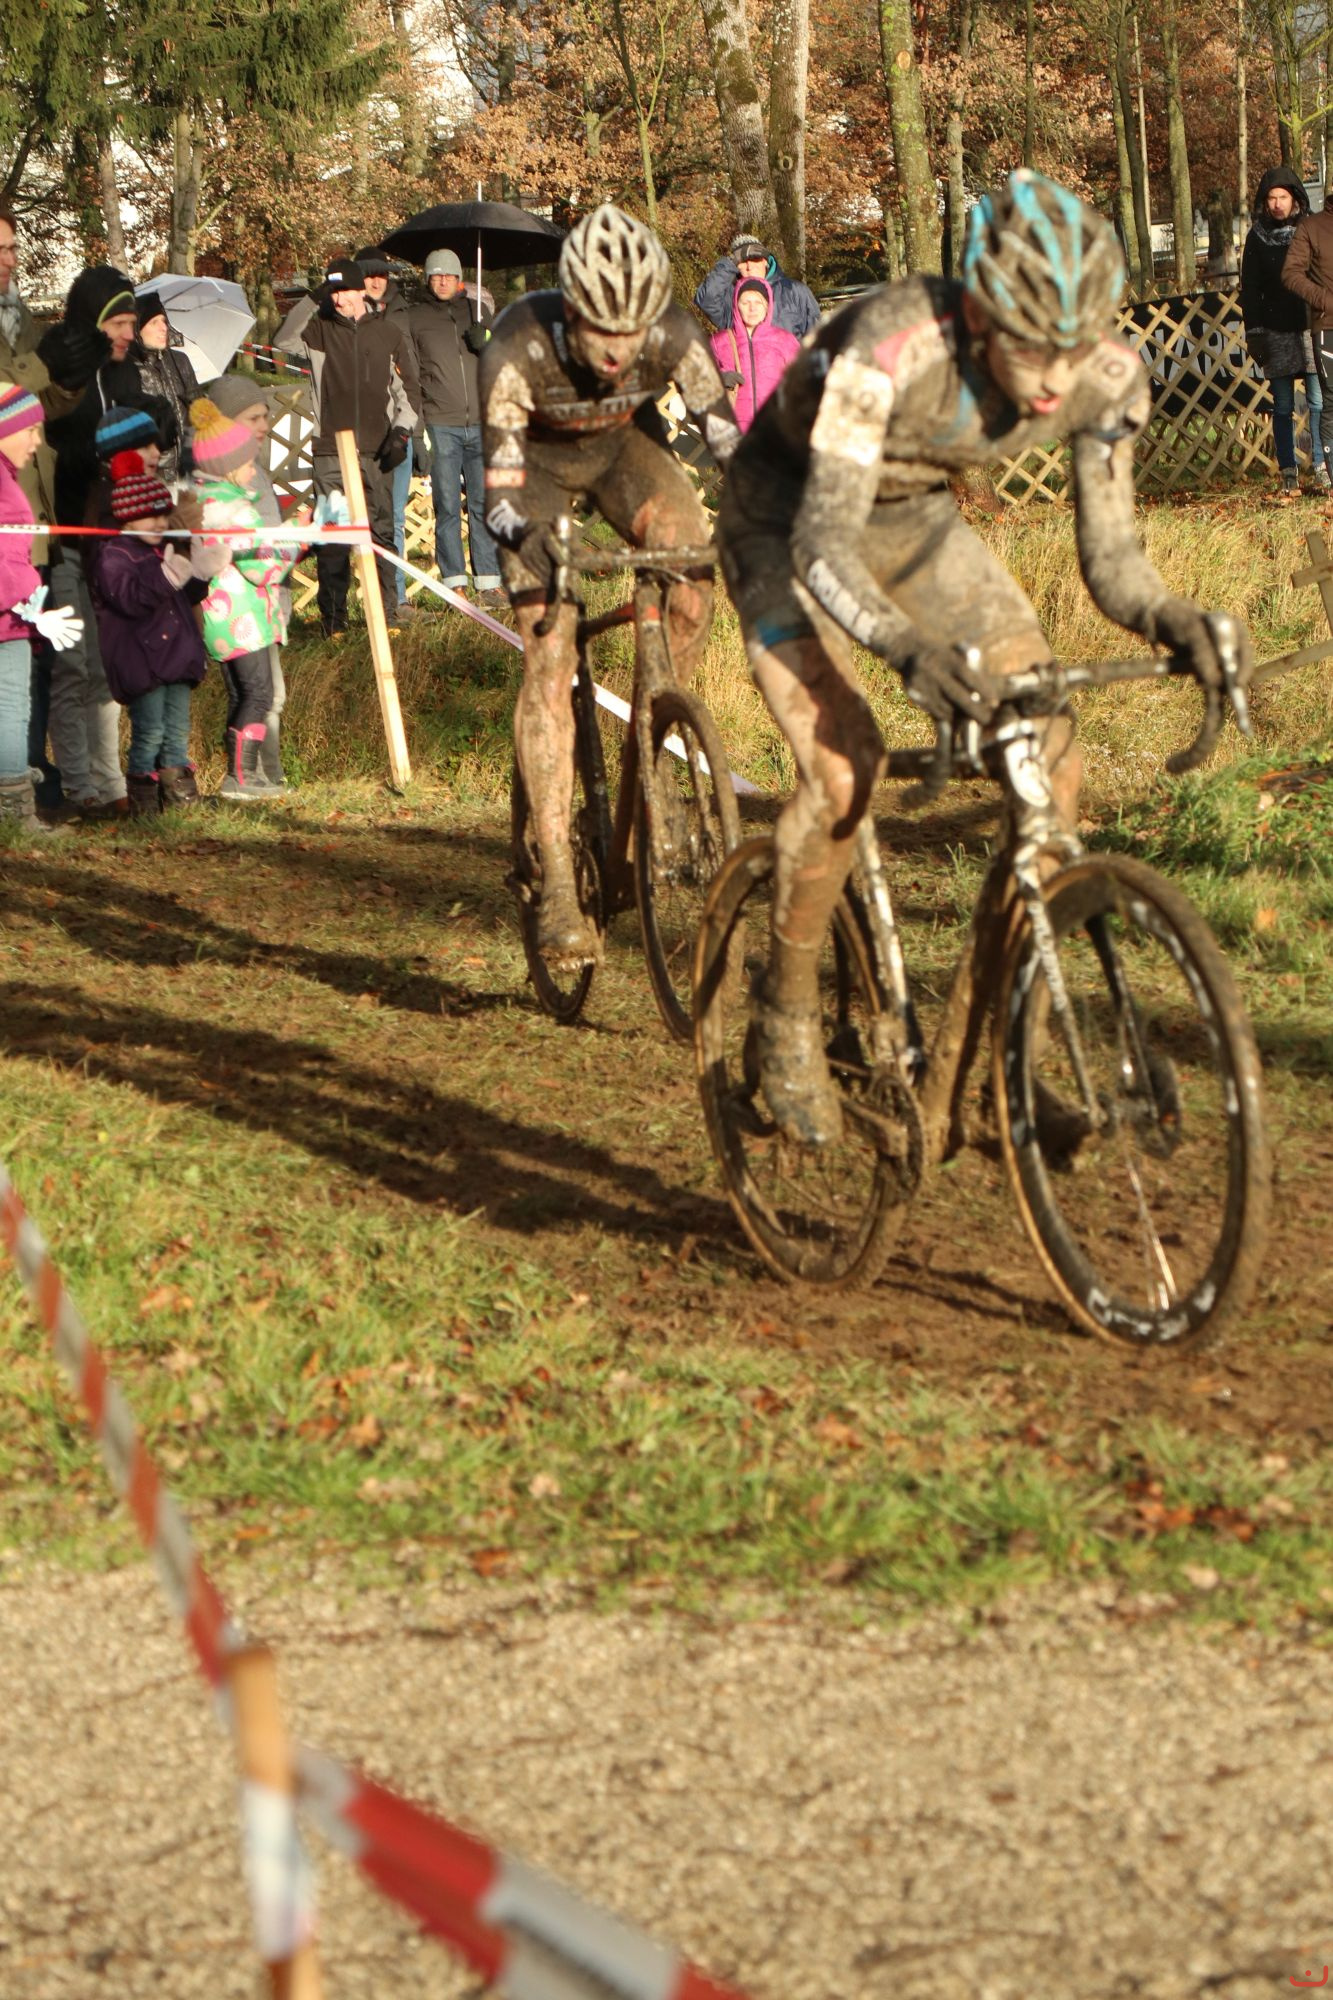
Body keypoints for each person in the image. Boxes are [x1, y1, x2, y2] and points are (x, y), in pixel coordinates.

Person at [716, 169, 1251, 1146]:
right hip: (783, 519)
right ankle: (785, 1013)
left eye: (1071, 349)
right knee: (844, 767)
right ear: (974, 316)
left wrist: (1173, 617)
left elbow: (1113, 560)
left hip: (914, 523)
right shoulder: (888, 347)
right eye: (1027, 346)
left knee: (1052, 757)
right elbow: (820, 544)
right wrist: (904, 648)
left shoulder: (1107, 377)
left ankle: (1005, 1058)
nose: (1052, 378)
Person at [480, 202, 741, 968]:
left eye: (635, 333)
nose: (621, 352)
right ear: (570, 312)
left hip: (624, 452)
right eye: (604, 334)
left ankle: (654, 738)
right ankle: (559, 884)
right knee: (550, 652)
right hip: (532, 472)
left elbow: (726, 437)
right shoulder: (517, 345)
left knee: (689, 570)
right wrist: (528, 539)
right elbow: (497, 494)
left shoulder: (675, 335)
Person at [0, 206, 107, 812]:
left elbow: (36, 409)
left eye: (13, 248)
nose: (10, 261)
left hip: (33, 506)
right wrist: (43, 364)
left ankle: (32, 768)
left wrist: (70, 378)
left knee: (36, 653)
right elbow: (6, 395)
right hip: (5, 507)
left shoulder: (21, 321)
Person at [40, 265, 146, 817]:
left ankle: (110, 782)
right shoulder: (62, 369)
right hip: (63, 538)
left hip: (112, 543)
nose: (130, 333)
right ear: (94, 323)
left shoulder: (128, 378)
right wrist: (92, 458)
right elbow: (46, 449)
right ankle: (76, 783)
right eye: (120, 323)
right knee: (72, 666)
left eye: (133, 322)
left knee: (105, 666)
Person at [276, 255, 418, 638]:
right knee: (334, 537)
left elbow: (409, 391)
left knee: (382, 532)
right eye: (333, 292)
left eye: (345, 291)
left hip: (377, 449)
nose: (340, 299)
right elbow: (283, 340)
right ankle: (334, 623)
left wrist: (401, 433)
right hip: (330, 450)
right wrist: (312, 298)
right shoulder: (319, 331)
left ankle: (386, 616)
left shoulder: (388, 333)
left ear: (361, 291)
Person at [204, 373, 310, 793]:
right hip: (244, 614)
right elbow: (259, 563)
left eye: (266, 415)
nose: (264, 425)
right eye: (254, 417)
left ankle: (257, 775)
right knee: (261, 695)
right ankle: (248, 776)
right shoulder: (233, 498)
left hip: (244, 611)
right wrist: (299, 536)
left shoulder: (229, 486)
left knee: (255, 695)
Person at [90, 451, 210, 813]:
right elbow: (130, 599)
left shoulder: (163, 550)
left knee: (177, 730)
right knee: (150, 731)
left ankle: (179, 798)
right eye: (151, 515)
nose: (160, 522)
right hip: (143, 663)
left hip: (175, 658)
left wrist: (200, 572)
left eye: (163, 514)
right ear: (128, 516)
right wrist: (167, 577)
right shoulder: (114, 556)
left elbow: (186, 594)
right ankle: (143, 802)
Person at [0, 384, 82, 836]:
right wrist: (31, 607)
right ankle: (13, 812)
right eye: (29, 430)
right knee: (12, 707)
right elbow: (4, 559)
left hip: (13, 616)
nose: (36, 441)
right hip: (8, 619)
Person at [408, 248, 501, 602]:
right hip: (440, 422)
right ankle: (454, 582)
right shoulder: (415, 317)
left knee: (482, 504)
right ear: (428, 279)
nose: (443, 281)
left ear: (460, 279)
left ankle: (488, 581)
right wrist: (418, 429)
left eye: (449, 275)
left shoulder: (478, 312)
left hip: (480, 422)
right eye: (436, 275)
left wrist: (485, 341)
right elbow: (411, 374)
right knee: (446, 505)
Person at [355, 244, 418, 612]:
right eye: (368, 275)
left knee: (394, 515)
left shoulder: (405, 313)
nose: (376, 281)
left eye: (381, 274)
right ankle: (370, 601)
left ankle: (397, 599)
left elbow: (412, 376)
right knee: (365, 519)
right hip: (357, 437)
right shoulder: (340, 320)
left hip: (399, 430)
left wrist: (413, 431)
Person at [1280, 184, 1333, 496]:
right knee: (1331, 401)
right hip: (1328, 326)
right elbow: (1291, 273)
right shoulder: (1311, 228)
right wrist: (1324, 300)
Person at [709, 274, 800, 431]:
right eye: (746, 303)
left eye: (758, 302)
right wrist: (719, 378)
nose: (752, 308)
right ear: (736, 305)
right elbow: (698, 378)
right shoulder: (718, 342)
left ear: (767, 306)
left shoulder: (785, 340)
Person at [694, 234, 820, 340]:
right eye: (742, 262)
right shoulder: (731, 297)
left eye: (754, 259)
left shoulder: (794, 291)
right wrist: (730, 262)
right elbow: (706, 299)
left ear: (765, 261)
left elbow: (816, 336)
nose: (749, 266)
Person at [133, 291, 202, 485]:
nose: (163, 328)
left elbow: (199, 411)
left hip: (190, 471)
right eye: (154, 322)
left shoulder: (180, 361)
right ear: (137, 329)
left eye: (164, 321)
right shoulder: (126, 371)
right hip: (152, 477)